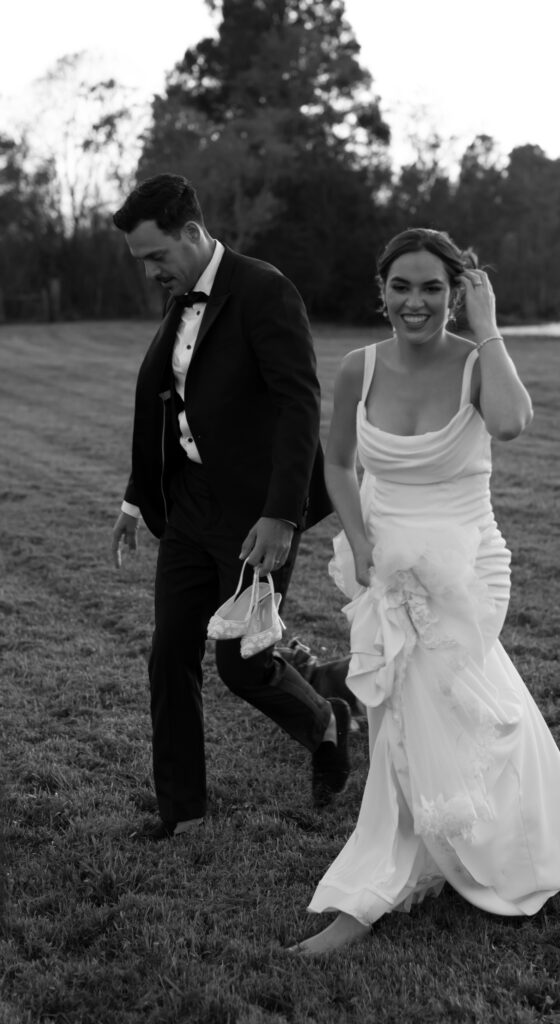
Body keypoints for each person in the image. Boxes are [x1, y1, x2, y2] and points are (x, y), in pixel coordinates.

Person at [289, 228, 560, 953]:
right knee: (406, 713)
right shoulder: (358, 367)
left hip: (465, 565)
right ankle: (411, 866)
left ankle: (393, 884)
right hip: (386, 558)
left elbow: (512, 424)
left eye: (431, 288)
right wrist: (358, 540)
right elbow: (336, 465)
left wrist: (487, 331)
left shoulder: (475, 362)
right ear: (380, 291)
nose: (414, 302)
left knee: (457, 709)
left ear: (455, 293)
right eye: (400, 286)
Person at [111, 173, 351, 840]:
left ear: (192, 234)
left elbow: (300, 404)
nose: (151, 271)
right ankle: (182, 810)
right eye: (141, 262)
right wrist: (137, 498)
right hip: (188, 507)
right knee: (170, 655)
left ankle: (324, 720)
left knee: (242, 665)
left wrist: (282, 513)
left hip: (254, 513)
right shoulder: (181, 297)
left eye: (157, 256)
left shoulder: (263, 290)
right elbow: (164, 403)